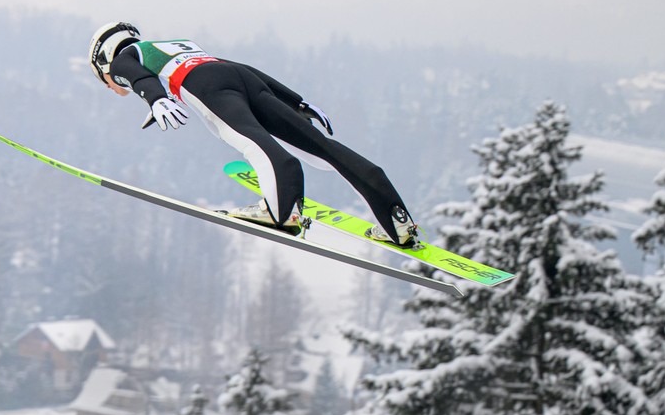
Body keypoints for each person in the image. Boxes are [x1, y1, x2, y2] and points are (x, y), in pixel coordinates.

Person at [87, 21, 418, 247]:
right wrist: (296, 102)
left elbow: (130, 72)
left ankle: (281, 211)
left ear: (104, 60)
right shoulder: (174, 44)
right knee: (323, 148)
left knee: (253, 141)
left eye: (104, 80)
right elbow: (242, 68)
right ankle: (396, 221)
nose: (112, 85)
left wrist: (155, 97)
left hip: (205, 84)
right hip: (240, 77)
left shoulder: (124, 58)